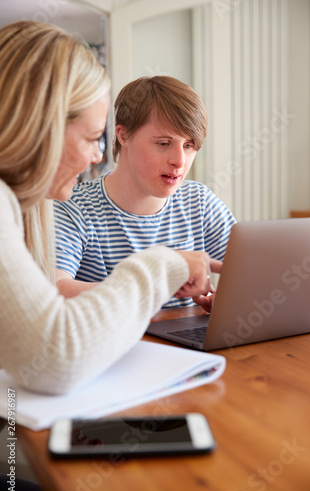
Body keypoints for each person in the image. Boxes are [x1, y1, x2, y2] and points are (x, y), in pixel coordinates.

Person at [0, 21, 220, 397]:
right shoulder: (63, 208)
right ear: (41, 128)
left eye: (189, 145)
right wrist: (160, 270)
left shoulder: (199, 200)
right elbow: (54, 357)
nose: (96, 156)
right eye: (90, 137)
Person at [54, 76, 236, 310]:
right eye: (163, 143)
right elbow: (54, 289)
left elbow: (253, 270)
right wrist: (155, 280)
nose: (179, 161)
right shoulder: (74, 207)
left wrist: (233, 299)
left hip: (184, 345)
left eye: (188, 146)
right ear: (124, 136)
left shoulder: (199, 202)